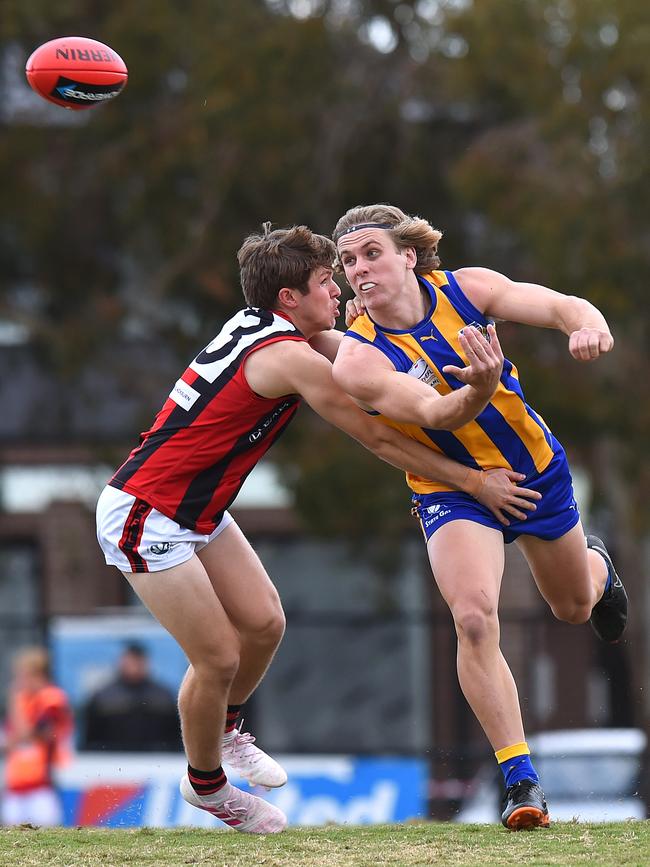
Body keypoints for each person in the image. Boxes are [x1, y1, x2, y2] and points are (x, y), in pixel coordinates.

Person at [95, 223, 542, 835]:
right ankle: (208, 786)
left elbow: (341, 343)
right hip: (146, 515)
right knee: (219, 656)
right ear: (288, 300)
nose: (339, 290)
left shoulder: (269, 325)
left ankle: (225, 732)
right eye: (326, 281)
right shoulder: (285, 358)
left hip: (195, 508)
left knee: (265, 623)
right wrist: (471, 480)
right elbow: (380, 434)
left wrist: (376, 344)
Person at [331, 204, 628, 831]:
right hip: (452, 491)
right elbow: (436, 416)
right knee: (472, 618)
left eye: (372, 253)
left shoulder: (469, 288)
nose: (359, 269)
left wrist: (588, 323)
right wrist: (481, 391)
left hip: (534, 472)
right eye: (349, 259)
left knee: (573, 608)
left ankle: (599, 569)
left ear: (408, 254)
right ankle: (521, 783)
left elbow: (557, 305)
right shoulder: (357, 359)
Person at [1, 647, 73, 827]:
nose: (18, 682)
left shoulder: (52, 699)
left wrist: (14, 700)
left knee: (45, 836)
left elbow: (29, 733)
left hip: (42, 785)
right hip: (16, 785)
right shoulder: (24, 700)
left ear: (37, 675)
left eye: (22, 675)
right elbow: (9, 742)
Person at [81, 642, 182, 752]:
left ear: (146, 663)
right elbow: (90, 741)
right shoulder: (103, 697)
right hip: (112, 761)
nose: (134, 666)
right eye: (130, 661)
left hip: (157, 760)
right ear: (121, 662)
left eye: (138, 661)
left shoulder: (163, 696)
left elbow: (175, 738)